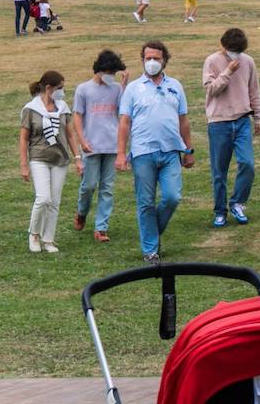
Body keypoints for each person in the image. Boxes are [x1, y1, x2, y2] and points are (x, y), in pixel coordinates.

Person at [116, 41, 196, 262]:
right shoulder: (133, 88)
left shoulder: (176, 86)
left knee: (172, 197)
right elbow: (124, 122)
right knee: (145, 201)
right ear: (142, 60)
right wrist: (121, 154)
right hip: (143, 152)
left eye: (156, 58)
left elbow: (183, 120)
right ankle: (150, 250)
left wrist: (189, 150)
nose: (152, 62)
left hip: (171, 151)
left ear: (164, 60)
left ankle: (152, 231)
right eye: (148, 58)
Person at [202, 27, 260, 228]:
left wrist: (258, 117)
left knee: (248, 164)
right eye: (232, 50)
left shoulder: (249, 61)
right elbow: (211, 90)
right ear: (224, 46)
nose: (235, 54)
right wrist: (227, 72)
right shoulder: (212, 61)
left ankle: (238, 202)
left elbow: (254, 90)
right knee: (219, 171)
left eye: (239, 51)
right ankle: (220, 211)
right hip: (219, 123)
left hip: (243, 120)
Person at [19, 69, 83, 254]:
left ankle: (48, 239)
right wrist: (24, 165)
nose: (62, 92)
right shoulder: (31, 110)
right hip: (39, 158)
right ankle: (34, 234)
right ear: (48, 88)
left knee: (54, 201)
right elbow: (23, 138)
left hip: (60, 159)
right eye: (60, 88)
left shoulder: (63, 108)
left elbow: (70, 135)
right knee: (43, 198)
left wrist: (77, 158)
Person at [72, 50, 128, 243]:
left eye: (114, 73)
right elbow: (77, 116)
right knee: (88, 185)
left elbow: (123, 113)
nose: (111, 76)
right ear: (100, 70)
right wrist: (82, 140)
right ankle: (81, 212)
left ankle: (101, 227)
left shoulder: (117, 89)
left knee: (107, 188)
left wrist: (124, 85)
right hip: (91, 145)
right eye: (109, 72)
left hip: (112, 145)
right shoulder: (83, 89)